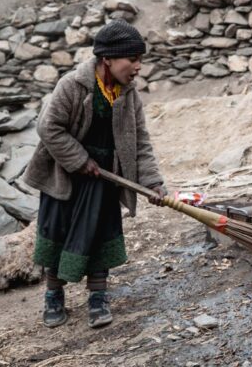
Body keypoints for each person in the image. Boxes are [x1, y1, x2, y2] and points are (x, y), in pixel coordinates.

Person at [24, 19, 166, 328]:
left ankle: (98, 298)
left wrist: (153, 182)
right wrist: (79, 159)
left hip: (104, 179)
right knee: (57, 234)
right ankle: (53, 296)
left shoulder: (128, 95)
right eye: (133, 59)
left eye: (140, 59)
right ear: (108, 60)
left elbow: (140, 141)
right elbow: (48, 127)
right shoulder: (72, 85)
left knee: (101, 234)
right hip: (65, 177)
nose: (138, 67)